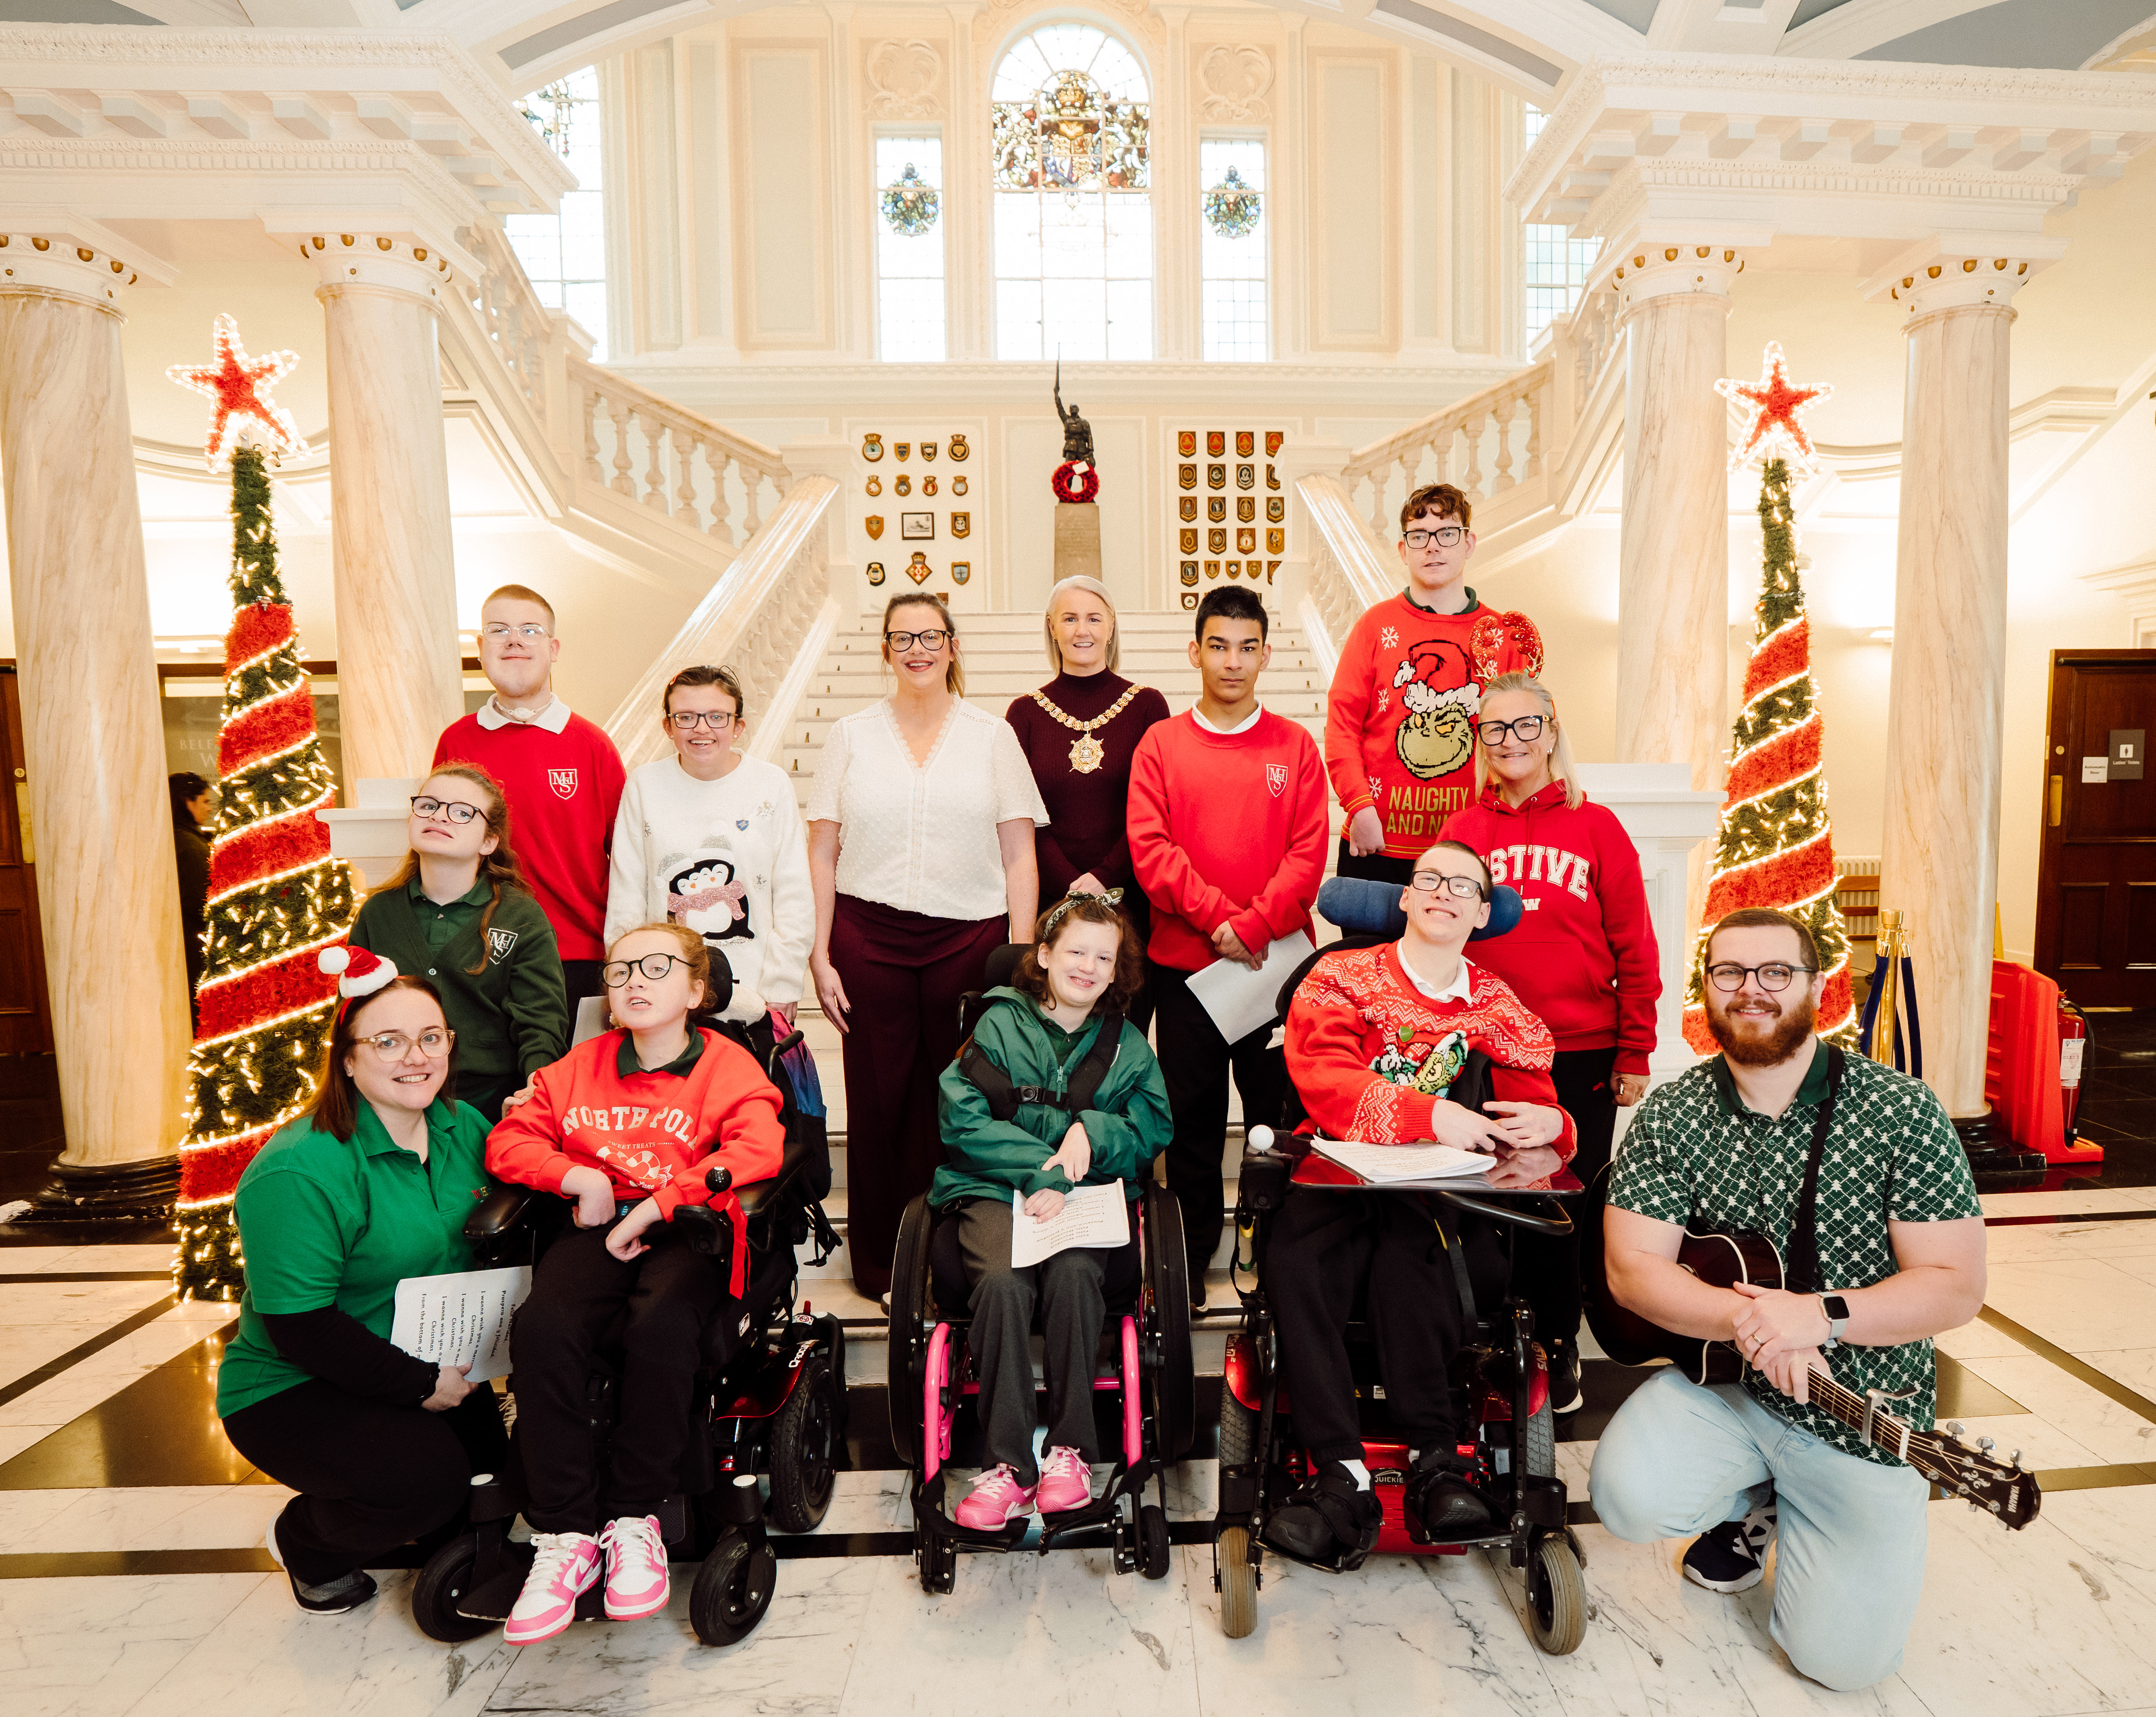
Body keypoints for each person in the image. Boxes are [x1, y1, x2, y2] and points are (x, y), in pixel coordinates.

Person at [1591, 907, 1985, 1692]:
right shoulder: (1672, 1112)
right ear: (1706, 989)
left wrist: (1819, 1314)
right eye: (1729, 972)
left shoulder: (1899, 1109)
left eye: (1775, 971)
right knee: (1625, 1496)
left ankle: (1799, 1500)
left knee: (1841, 1664)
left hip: (1862, 1409)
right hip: (1734, 1391)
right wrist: (1755, 1319)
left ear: (1815, 984)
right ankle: (1750, 1494)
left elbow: (1955, 1283)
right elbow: (1633, 1268)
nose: (1751, 989)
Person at [1262, 840, 1577, 1564]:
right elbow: (1323, 1078)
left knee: (1415, 1257)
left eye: (1462, 885)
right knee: (1298, 1261)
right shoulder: (1338, 975)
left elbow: (1539, 1108)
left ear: (1481, 909)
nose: (1443, 892)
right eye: (1428, 879)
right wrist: (1430, 1115)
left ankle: (1439, 1459)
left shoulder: (1498, 1006)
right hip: (1339, 1172)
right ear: (1403, 896)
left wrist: (1550, 1124)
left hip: (1439, 1197)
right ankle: (1339, 1473)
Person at [484, 922, 787, 1644]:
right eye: (620, 972)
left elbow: (758, 1146)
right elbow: (510, 1140)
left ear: (696, 988)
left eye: (656, 968)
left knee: (659, 1325)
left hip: (692, 1231)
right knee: (543, 1328)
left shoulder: (729, 1064)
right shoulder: (577, 1067)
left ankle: (633, 1516)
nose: (634, 982)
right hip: (596, 1225)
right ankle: (564, 1535)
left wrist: (660, 1202)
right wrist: (576, 1174)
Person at [218, 951, 506, 1615]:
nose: (417, 1056)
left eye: (432, 1037)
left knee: (497, 1484)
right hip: (295, 1383)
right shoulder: (299, 1170)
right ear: (346, 1058)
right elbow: (301, 1326)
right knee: (426, 1486)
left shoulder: (463, 1128)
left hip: (423, 1352)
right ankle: (305, 1542)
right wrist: (420, 1385)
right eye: (389, 1041)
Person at [807, 592, 1047, 1298]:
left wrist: (1020, 953)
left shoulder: (991, 734)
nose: (917, 648)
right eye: (901, 637)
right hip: (866, 934)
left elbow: (1019, 854)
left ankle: (954, 1257)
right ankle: (883, 1263)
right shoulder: (849, 735)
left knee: (959, 1098)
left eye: (930, 635)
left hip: (967, 935)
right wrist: (819, 954)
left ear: (951, 646)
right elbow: (822, 850)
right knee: (879, 1099)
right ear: (884, 649)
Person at [1437, 670, 1659, 1411]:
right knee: (1479, 1196)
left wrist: (1635, 1051)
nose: (1510, 742)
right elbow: (1433, 938)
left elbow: (1634, 945)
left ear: (1551, 730)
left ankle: (1556, 1343)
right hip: (1483, 1051)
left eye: (1524, 726)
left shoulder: (1597, 828)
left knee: (1559, 1200)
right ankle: (1489, 1333)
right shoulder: (1463, 832)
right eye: (1494, 729)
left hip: (1582, 1048)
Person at [931, 891, 1172, 1528]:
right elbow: (962, 1118)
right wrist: (1041, 1169)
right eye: (1076, 952)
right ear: (1043, 956)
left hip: (1088, 1193)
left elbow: (1153, 1124)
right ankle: (1009, 1465)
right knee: (1004, 1284)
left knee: (1073, 1277)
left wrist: (1093, 1135)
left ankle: (1070, 1451)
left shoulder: (1126, 1045)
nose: (1088, 966)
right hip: (991, 1187)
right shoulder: (997, 1023)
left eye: (1104, 956)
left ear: (1117, 969)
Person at [1129, 585, 1327, 1301]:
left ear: (1266, 654)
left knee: (1279, 1127)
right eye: (1218, 645)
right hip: (1186, 975)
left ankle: (1277, 1264)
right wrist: (1218, 921)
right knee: (1190, 1131)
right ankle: (1189, 1265)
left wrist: (1250, 927)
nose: (1232, 661)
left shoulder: (1295, 747)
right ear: (1195, 652)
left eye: (1247, 647)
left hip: (1275, 974)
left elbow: (1308, 856)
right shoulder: (1162, 745)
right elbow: (1149, 850)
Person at [1323, 483, 1544, 885]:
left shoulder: (1501, 636)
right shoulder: (1374, 626)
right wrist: (1359, 807)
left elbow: (1524, 743)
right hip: (1377, 843)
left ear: (1469, 543)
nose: (1433, 547)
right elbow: (1341, 726)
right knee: (1368, 952)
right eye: (1419, 536)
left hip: (1471, 847)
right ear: (1403, 550)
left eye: (1447, 533)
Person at [434, 584, 626, 1020]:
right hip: (478, 952)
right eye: (499, 630)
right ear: (481, 648)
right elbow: (439, 851)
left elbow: (629, 861)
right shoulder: (456, 741)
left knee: (571, 1086)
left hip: (578, 955)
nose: (514, 639)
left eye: (530, 629)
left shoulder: (593, 746)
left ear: (553, 648)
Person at [347, 765, 567, 1123]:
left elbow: (541, 1022)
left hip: (489, 1103)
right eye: (429, 805)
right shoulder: (379, 912)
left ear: (488, 841)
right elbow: (353, 1015)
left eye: (462, 812)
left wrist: (535, 1089)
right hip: (392, 1098)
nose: (440, 817)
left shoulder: (521, 916)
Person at [1004, 576, 1170, 1030]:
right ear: (1051, 628)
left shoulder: (1146, 706)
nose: (1083, 630)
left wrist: (1103, 878)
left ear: (1111, 627)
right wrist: (1071, 888)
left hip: (1129, 905)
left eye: (1094, 618)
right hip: (1051, 906)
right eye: (1070, 618)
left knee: (1121, 1044)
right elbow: (1024, 816)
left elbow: (1153, 808)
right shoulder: (1024, 714)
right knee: (1056, 1042)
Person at [606, 664, 812, 1026]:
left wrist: (784, 982)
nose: (702, 728)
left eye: (717, 716)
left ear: (738, 726)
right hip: (662, 988)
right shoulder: (644, 786)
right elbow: (627, 896)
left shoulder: (771, 784)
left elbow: (794, 893)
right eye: (686, 717)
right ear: (668, 726)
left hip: (756, 989)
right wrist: (625, 979)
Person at [169, 771, 214, 1012]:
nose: (209, 809)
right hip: (195, 944)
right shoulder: (190, 846)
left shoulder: (175, 837)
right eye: (205, 801)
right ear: (188, 801)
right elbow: (203, 902)